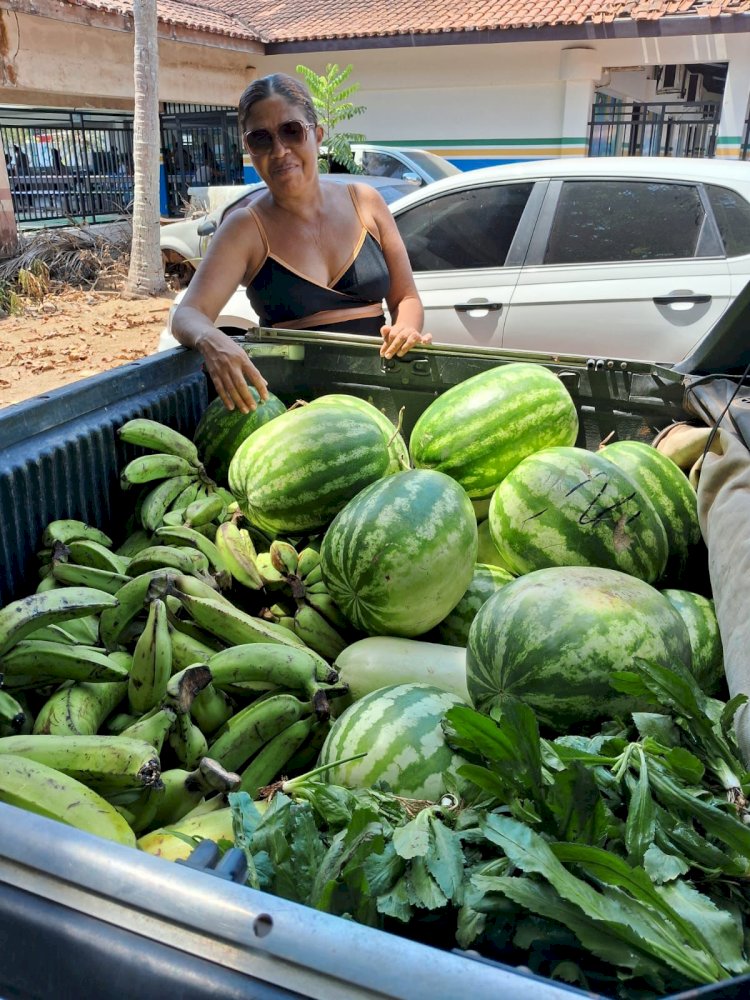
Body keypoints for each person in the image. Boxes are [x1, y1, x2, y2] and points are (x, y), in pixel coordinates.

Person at [171, 73, 431, 414]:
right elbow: (188, 314)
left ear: (317, 135)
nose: (279, 151)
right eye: (261, 139)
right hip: (296, 416)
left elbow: (405, 298)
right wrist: (210, 338)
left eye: (291, 131)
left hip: (379, 404)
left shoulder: (366, 203)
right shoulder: (245, 228)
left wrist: (405, 330)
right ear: (249, 150)